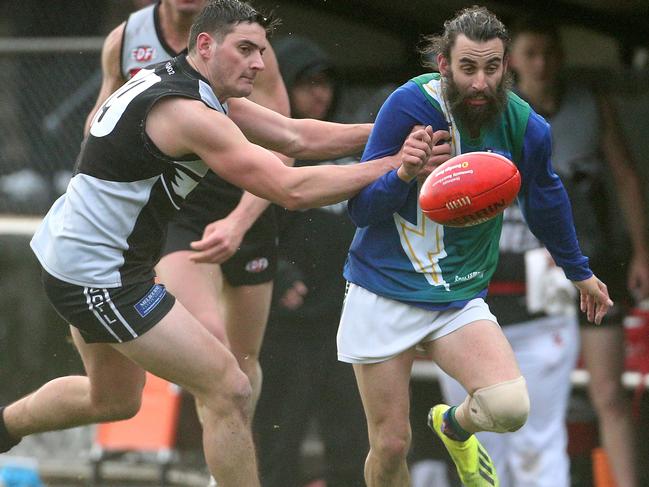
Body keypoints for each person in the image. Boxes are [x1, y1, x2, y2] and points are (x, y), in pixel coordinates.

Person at [0, 2, 441, 486]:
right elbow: (289, 188)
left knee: (115, 400)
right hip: (98, 275)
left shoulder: (192, 85)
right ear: (206, 46)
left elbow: (294, 136)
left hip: (81, 257)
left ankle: (3, 427)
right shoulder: (187, 112)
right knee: (228, 387)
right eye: (245, 50)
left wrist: (396, 133)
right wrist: (396, 164)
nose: (258, 63)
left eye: (262, 51)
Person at [335, 6, 614, 487]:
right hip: (383, 288)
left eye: (492, 68)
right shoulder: (406, 106)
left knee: (509, 408)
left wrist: (578, 271)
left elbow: (546, 201)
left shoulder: (527, 125)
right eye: (468, 69)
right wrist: (404, 173)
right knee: (390, 446)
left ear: (507, 66)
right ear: (443, 65)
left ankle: (453, 426)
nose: (481, 83)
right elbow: (360, 211)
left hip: (457, 295)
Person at [85, 0, 291, 428]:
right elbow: (97, 126)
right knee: (214, 354)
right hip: (178, 206)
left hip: (246, 194)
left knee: (242, 363)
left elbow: (288, 142)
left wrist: (240, 219)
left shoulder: (245, 43)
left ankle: (229, 459)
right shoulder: (125, 39)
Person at [506, 18, 649, 487]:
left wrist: (642, 252)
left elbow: (627, 177)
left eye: (549, 52)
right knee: (526, 396)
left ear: (561, 57)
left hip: (593, 262)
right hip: (525, 269)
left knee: (608, 392)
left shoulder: (591, 105)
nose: (541, 63)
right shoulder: (498, 114)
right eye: (530, 53)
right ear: (512, 61)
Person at [253, 35, 367, 487]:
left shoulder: (346, 147)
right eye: (307, 83)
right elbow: (243, 224)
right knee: (280, 434)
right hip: (288, 323)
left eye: (325, 83)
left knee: (353, 438)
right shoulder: (260, 150)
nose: (319, 94)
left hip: (343, 318)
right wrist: (279, 276)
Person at [437, 202, 580, 487]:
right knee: (477, 450)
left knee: (537, 449)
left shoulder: (543, 173)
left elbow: (588, 241)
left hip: (538, 323)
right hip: (464, 323)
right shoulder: (446, 173)